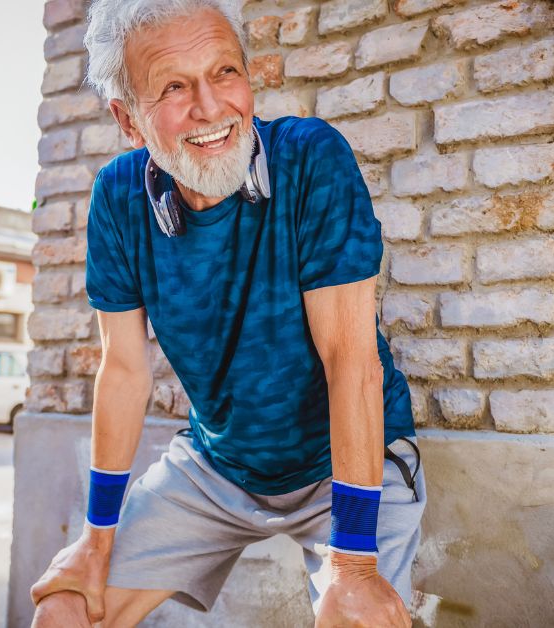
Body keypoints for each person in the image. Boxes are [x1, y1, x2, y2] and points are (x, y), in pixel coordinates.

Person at [30, 1, 425, 626]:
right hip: (218, 466)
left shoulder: (310, 158)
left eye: (223, 73)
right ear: (128, 121)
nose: (211, 108)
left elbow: (351, 360)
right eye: (173, 87)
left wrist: (353, 569)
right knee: (68, 608)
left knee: (360, 621)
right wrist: (94, 540)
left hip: (341, 465)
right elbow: (125, 371)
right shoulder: (117, 195)